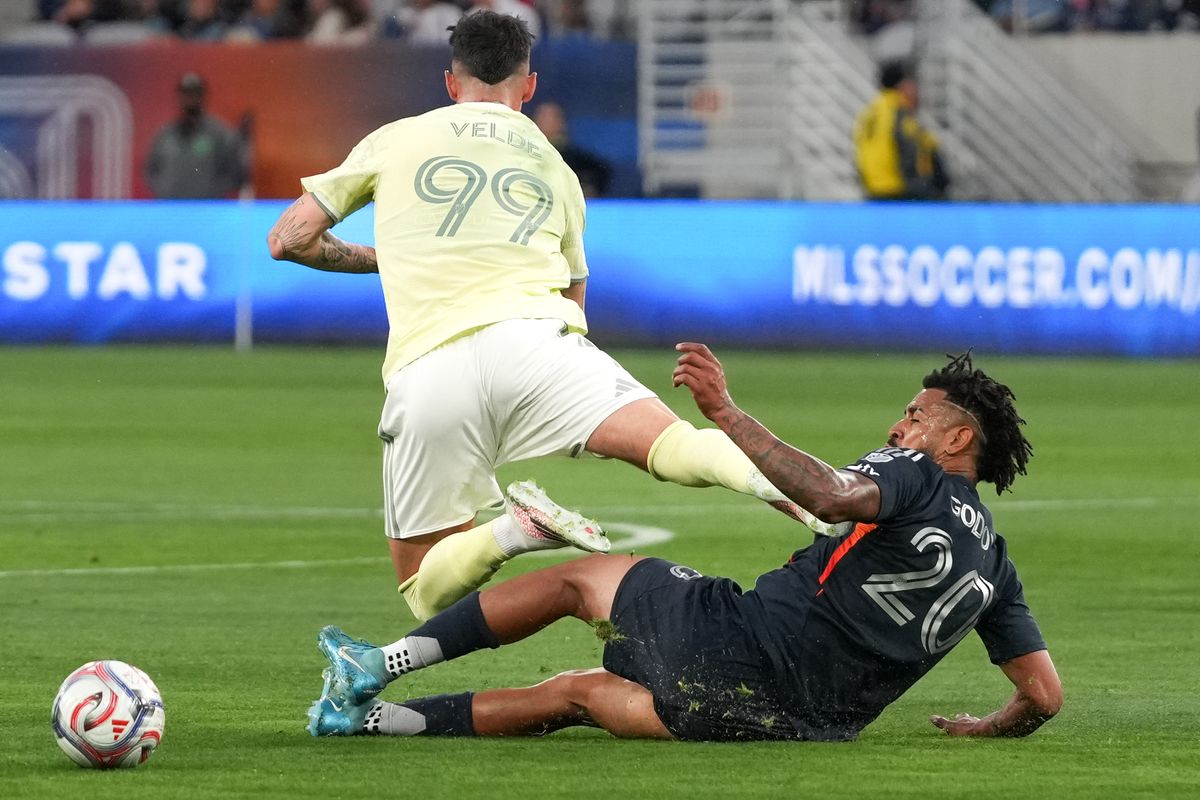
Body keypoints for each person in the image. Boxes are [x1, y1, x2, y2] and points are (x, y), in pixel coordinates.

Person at [266, 11, 843, 624]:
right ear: (530, 85)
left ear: (451, 82)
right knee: (675, 445)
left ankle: (513, 532)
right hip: (538, 344)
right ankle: (812, 494)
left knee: (424, 591)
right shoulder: (556, 167)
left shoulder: (397, 137)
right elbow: (575, 304)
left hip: (430, 372)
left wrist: (401, 258)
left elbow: (289, 239)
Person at [306, 346, 1061, 742]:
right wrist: (983, 728)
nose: (901, 428)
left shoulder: (913, 473)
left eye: (916, 416)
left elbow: (831, 495)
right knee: (579, 695)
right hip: (796, 728)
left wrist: (726, 413)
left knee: (585, 580)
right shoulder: (995, 566)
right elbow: (1043, 697)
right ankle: (367, 723)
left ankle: (376, 665)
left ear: (958, 438)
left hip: (744, 648)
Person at [853, 61, 950, 201]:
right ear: (902, 86)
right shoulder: (899, 114)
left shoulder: (868, 113)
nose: (917, 88)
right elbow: (911, 155)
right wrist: (926, 190)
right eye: (913, 83)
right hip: (898, 194)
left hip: (873, 192)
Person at [144, 72, 247, 198]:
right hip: (170, 207)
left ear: (203, 96)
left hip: (207, 208)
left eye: (195, 93)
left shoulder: (220, 134)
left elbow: (235, 172)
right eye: (186, 94)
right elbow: (150, 170)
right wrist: (164, 191)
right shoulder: (165, 134)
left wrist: (213, 194)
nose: (190, 98)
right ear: (178, 97)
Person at [533, 101, 613, 198]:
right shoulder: (526, 154)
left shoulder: (576, 158)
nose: (546, 122)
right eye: (543, 117)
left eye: (551, 118)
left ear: (561, 123)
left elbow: (602, 172)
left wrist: (587, 189)